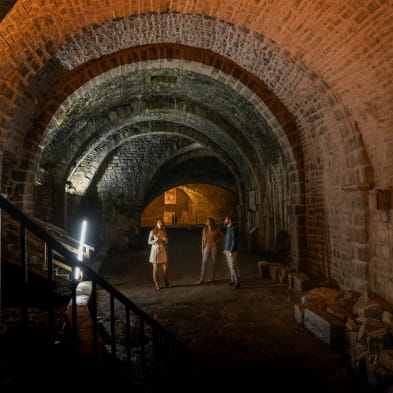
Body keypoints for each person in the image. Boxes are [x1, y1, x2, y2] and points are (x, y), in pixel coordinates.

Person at [196, 217, 224, 285]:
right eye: (206, 221)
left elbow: (223, 237)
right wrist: (202, 248)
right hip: (206, 247)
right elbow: (202, 240)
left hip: (214, 247)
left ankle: (212, 278)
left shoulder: (216, 229)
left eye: (207, 221)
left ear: (211, 222)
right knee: (204, 263)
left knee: (213, 263)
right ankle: (201, 279)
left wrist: (218, 242)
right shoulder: (204, 229)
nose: (206, 222)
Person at [148, 219, 171, 290]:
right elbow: (149, 242)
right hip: (155, 251)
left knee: (165, 268)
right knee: (156, 269)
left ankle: (167, 283)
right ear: (156, 224)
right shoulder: (152, 231)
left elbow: (166, 241)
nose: (160, 224)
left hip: (162, 250)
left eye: (161, 223)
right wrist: (155, 240)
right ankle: (156, 283)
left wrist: (166, 240)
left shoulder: (163, 231)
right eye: (159, 223)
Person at [223, 215, 240, 289]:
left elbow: (234, 240)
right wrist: (225, 249)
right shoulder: (228, 228)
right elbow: (228, 240)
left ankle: (237, 282)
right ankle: (232, 280)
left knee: (233, 266)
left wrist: (231, 250)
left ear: (229, 220)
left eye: (226, 219)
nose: (224, 220)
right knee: (230, 267)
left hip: (231, 251)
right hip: (228, 250)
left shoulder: (232, 229)